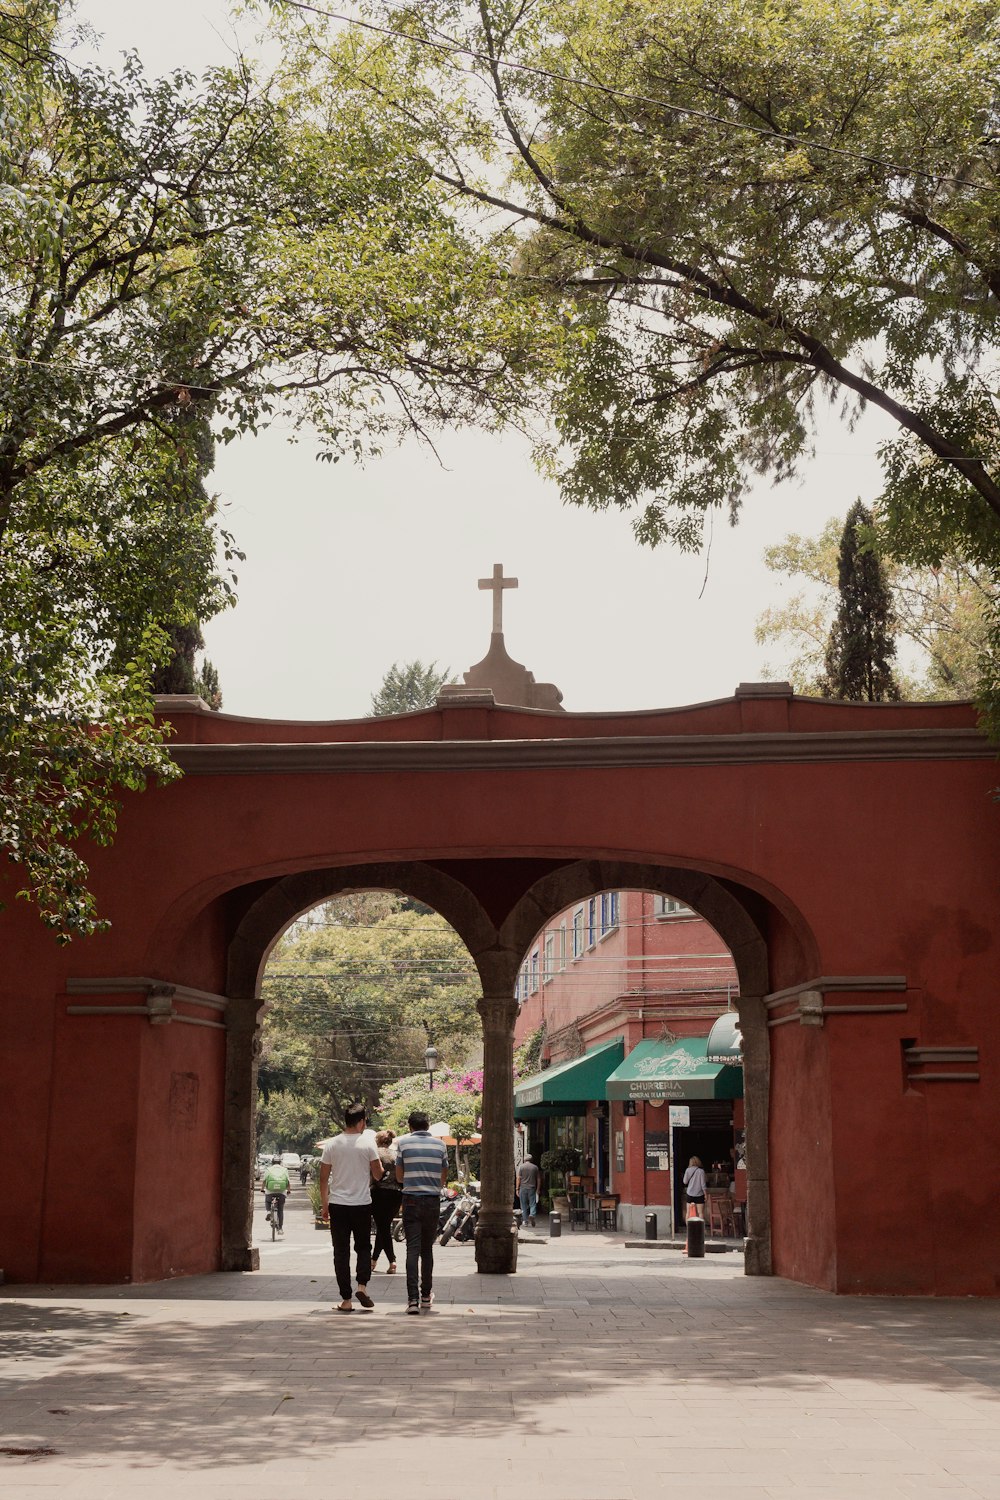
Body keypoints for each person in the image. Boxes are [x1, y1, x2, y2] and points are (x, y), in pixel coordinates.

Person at [320, 1102, 383, 1313]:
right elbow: (377, 1174)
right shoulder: (367, 1144)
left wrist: (324, 1205)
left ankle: (346, 1300)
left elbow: (322, 1178)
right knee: (363, 1247)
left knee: (341, 1252)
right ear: (362, 1121)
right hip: (362, 1204)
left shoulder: (332, 1144)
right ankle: (362, 1286)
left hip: (338, 1204)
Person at [395, 1110, 449, 1315]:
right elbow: (443, 1177)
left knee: (412, 1249)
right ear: (429, 1125)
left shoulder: (403, 1144)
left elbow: (399, 1177)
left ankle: (412, 1301)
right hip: (432, 1201)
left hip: (411, 1200)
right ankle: (426, 1296)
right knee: (427, 1250)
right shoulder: (440, 1145)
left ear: (410, 1126)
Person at [371, 1129, 402, 1274]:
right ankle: (374, 1260)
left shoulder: (374, 1153)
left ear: (377, 1140)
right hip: (396, 1195)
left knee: (382, 1228)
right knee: (383, 1227)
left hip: (379, 1194)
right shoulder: (396, 1154)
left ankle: (392, 1260)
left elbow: (372, 1174)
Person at [262, 1155, 291, 1234]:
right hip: (281, 1192)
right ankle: (280, 1229)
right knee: (280, 1210)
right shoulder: (284, 1170)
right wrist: (288, 1190)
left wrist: (262, 1189)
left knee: (267, 1200)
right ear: (280, 1162)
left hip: (270, 1191)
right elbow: (288, 1182)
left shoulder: (268, 1169)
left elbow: (264, 1181)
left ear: (272, 1162)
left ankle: (268, 1211)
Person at [516, 1154, 540, 1229]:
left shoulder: (521, 1167)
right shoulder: (535, 1167)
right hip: (532, 1188)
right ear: (531, 1159)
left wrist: (517, 1188)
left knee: (523, 1205)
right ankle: (532, 1214)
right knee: (532, 1203)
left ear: (524, 1160)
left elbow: (518, 1179)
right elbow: (538, 1179)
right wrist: (538, 1189)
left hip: (523, 1188)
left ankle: (525, 1221)